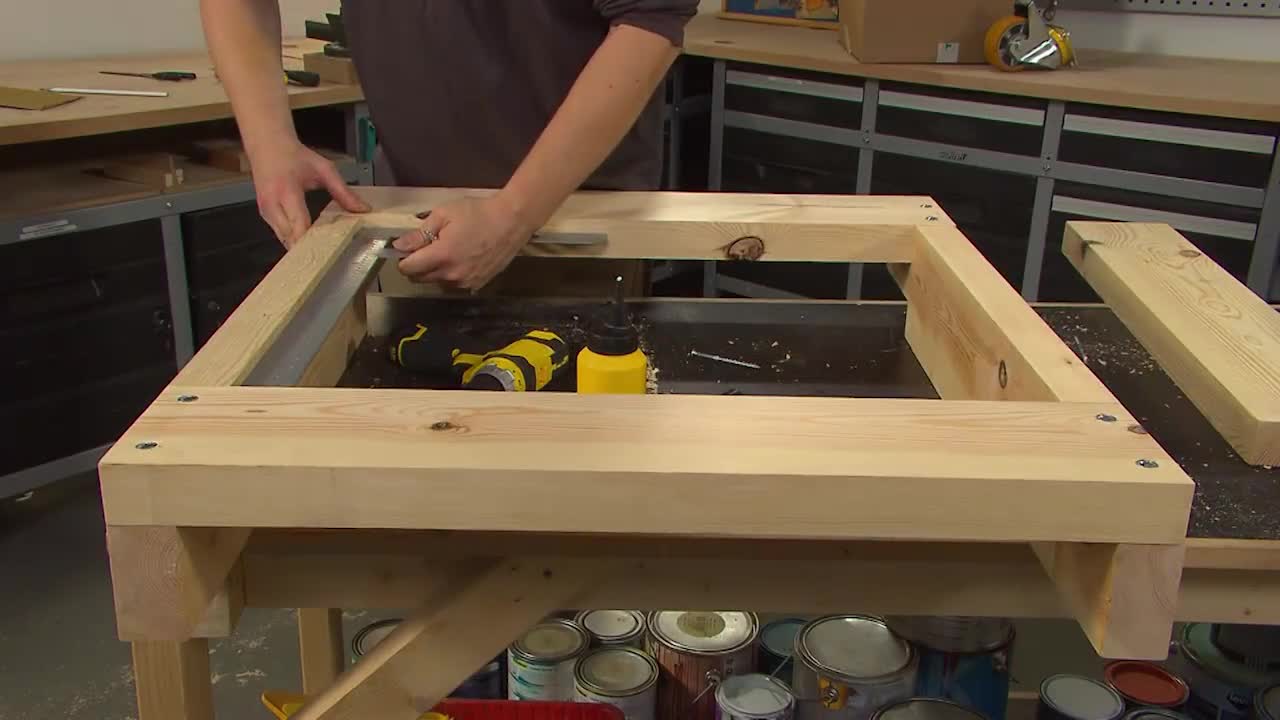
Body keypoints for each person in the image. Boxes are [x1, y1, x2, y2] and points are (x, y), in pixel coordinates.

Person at [201, 0, 698, 291]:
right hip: (414, 221)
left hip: (573, 229)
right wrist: (268, 145)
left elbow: (647, 25)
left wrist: (513, 215)